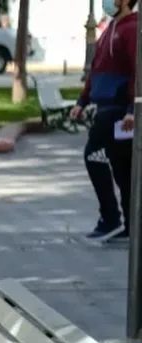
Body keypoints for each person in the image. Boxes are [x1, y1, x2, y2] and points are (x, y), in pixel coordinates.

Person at [71, 0, 137, 243]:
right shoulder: (111, 28)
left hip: (119, 112)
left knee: (96, 156)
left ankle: (111, 218)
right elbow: (95, 71)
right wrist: (82, 102)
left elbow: (137, 72)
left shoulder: (131, 30)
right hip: (106, 109)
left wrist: (132, 109)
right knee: (122, 169)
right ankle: (128, 224)